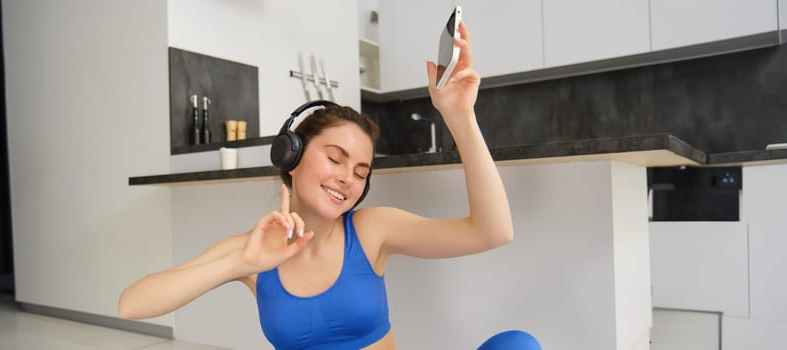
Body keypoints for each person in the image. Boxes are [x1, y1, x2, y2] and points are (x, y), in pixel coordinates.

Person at [119, 22, 537, 349]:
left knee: (519, 345)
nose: (346, 178)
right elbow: (132, 304)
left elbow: (493, 231)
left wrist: (460, 116)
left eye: (360, 172)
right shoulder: (250, 254)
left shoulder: (372, 231)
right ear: (292, 157)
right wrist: (239, 265)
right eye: (335, 158)